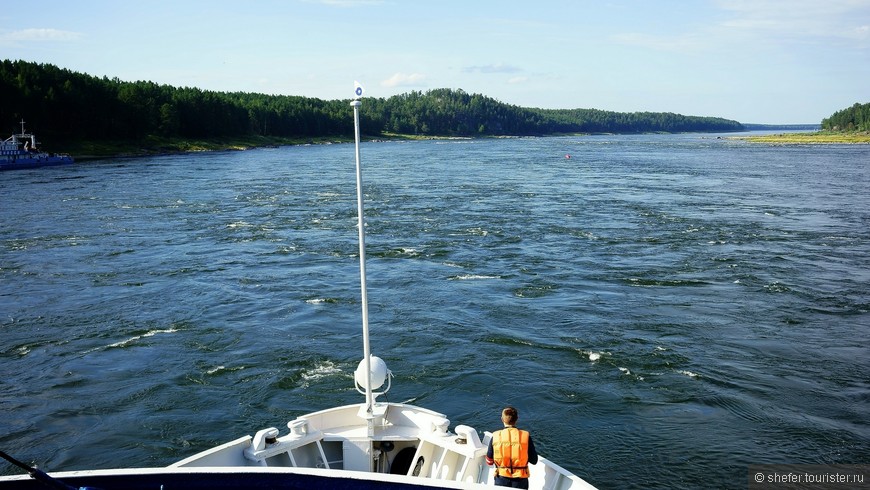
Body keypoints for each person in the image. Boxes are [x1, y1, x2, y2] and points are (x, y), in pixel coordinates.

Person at [486, 406, 538, 488]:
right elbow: (534, 460)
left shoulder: (495, 436)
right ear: (517, 419)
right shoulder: (526, 436)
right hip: (520, 481)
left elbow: (489, 461)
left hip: (501, 479)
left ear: (502, 419)